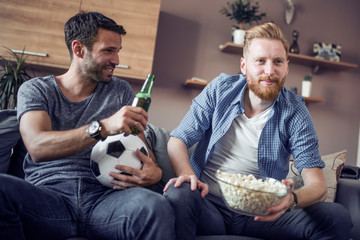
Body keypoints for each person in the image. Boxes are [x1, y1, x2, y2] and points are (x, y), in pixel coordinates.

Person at [163, 22, 352, 240]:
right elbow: (178, 139)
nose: (270, 71)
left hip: (264, 214)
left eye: (278, 62)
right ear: (244, 66)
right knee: (180, 192)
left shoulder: (295, 110)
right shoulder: (220, 89)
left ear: (287, 67)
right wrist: (188, 177)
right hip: (209, 205)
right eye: (260, 61)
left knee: (335, 215)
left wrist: (291, 199)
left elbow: (317, 184)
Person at [0, 11, 174, 240]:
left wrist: (155, 172)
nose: (117, 60)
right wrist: (102, 127)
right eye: (108, 51)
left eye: (118, 51)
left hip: (104, 201)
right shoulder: (36, 89)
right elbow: (37, 146)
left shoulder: (119, 91)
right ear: (79, 49)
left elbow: (139, 149)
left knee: (154, 206)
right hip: (49, 199)